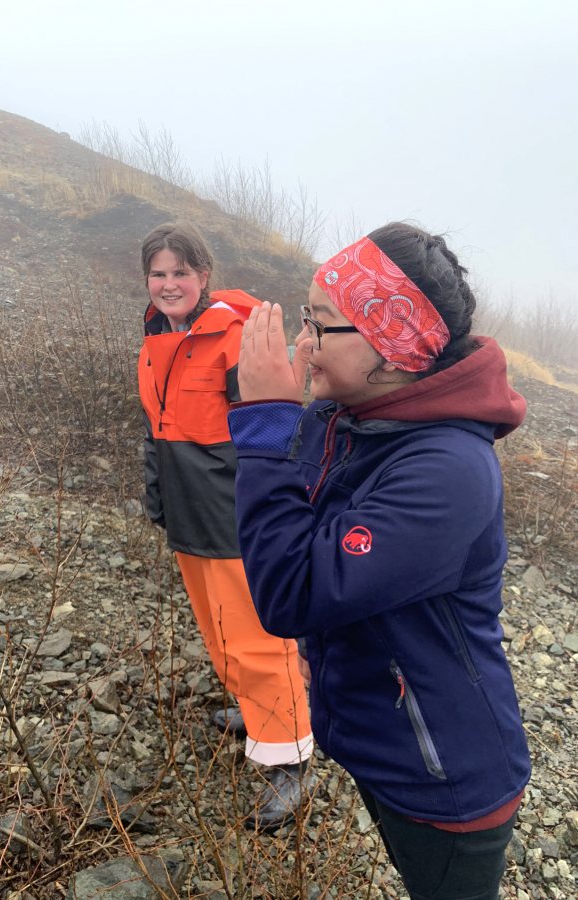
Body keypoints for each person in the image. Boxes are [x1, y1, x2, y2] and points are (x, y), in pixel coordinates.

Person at [228, 223, 531, 897]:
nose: (301, 344)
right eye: (302, 318)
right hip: (376, 744)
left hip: (447, 780)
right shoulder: (343, 417)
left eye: (321, 326)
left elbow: (291, 592)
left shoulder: (448, 468)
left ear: (394, 345)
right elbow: (298, 538)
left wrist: (265, 423)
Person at [137, 222, 314, 829]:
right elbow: (155, 427)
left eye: (180, 273)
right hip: (187, 509)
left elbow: (276, 427)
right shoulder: (158, 336)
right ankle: (252, 708)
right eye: (158, 274)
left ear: (203, 275)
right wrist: (156, 493)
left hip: (233, 510)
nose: (168, 284)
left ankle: (290, 759)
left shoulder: (234, 338)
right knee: (216, 629)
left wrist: (274, 510)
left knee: (258, 635)